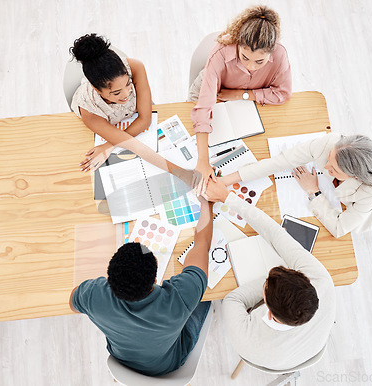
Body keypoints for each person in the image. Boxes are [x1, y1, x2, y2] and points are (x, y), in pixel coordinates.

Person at [69, 197, 214, 376]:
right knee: (208, 298)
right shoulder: (179, 297)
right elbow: (202, 244)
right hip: (169, 362)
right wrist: (207, 203)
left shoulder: (93, 295)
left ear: (110, 278)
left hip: (122, 359)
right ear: (155, 280)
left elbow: (73, 303)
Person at [203, 177, 335, 370]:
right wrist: (227, 197)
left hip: (275, 355)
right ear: (306, 279)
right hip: (308, 347)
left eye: (265, 288)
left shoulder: (248, 339)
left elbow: (233, 299)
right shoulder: (322, 281)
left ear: (267, 308)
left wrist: (268, 282)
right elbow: (277, 234)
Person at [189, 5, 292, 194]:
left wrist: (243, 95)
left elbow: (283, 93)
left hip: (245, 100)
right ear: (237, 44)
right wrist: (202, 161)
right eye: (244, 57)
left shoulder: (280, 54)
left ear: (271, 51)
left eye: (259, 62)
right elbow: (203, 107)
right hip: (213, 91)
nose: (251, 66)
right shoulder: (221, 52)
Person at [219, 133, 372, 238]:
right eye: (329, 158)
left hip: (347, 207)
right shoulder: (330, 143)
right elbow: (280, 161)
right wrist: (227, 180)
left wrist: (313, 191)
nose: (325, 167)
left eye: (334, 170)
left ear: (355, 176)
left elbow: (339, 228)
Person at [70, 33, 188, 181]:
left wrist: (109, 145)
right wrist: (184, 174)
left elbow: (145, 120)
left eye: (128, 84)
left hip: (128, 121)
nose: (126, 94)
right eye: (116, 92)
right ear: (96, 89)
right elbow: (136, 147)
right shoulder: (89, 110)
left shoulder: (135, 67)